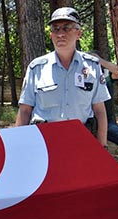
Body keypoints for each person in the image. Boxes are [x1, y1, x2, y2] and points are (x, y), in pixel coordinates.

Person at [15, 7, 110, 149]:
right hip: (44, 145)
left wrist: (102, 146)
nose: (60, 34)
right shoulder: (37, 68)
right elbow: (25, 110)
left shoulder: (92, 66)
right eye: (56, 29)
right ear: (50, 35)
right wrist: (18, 146)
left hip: (81, 143)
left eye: (66, 28)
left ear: (78, 33)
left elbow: (99, 110)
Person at [89, 51, 118, 172]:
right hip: (88, 124)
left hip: (108, 124)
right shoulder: (81, 77)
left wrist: (99, 60)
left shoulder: (106, 77)